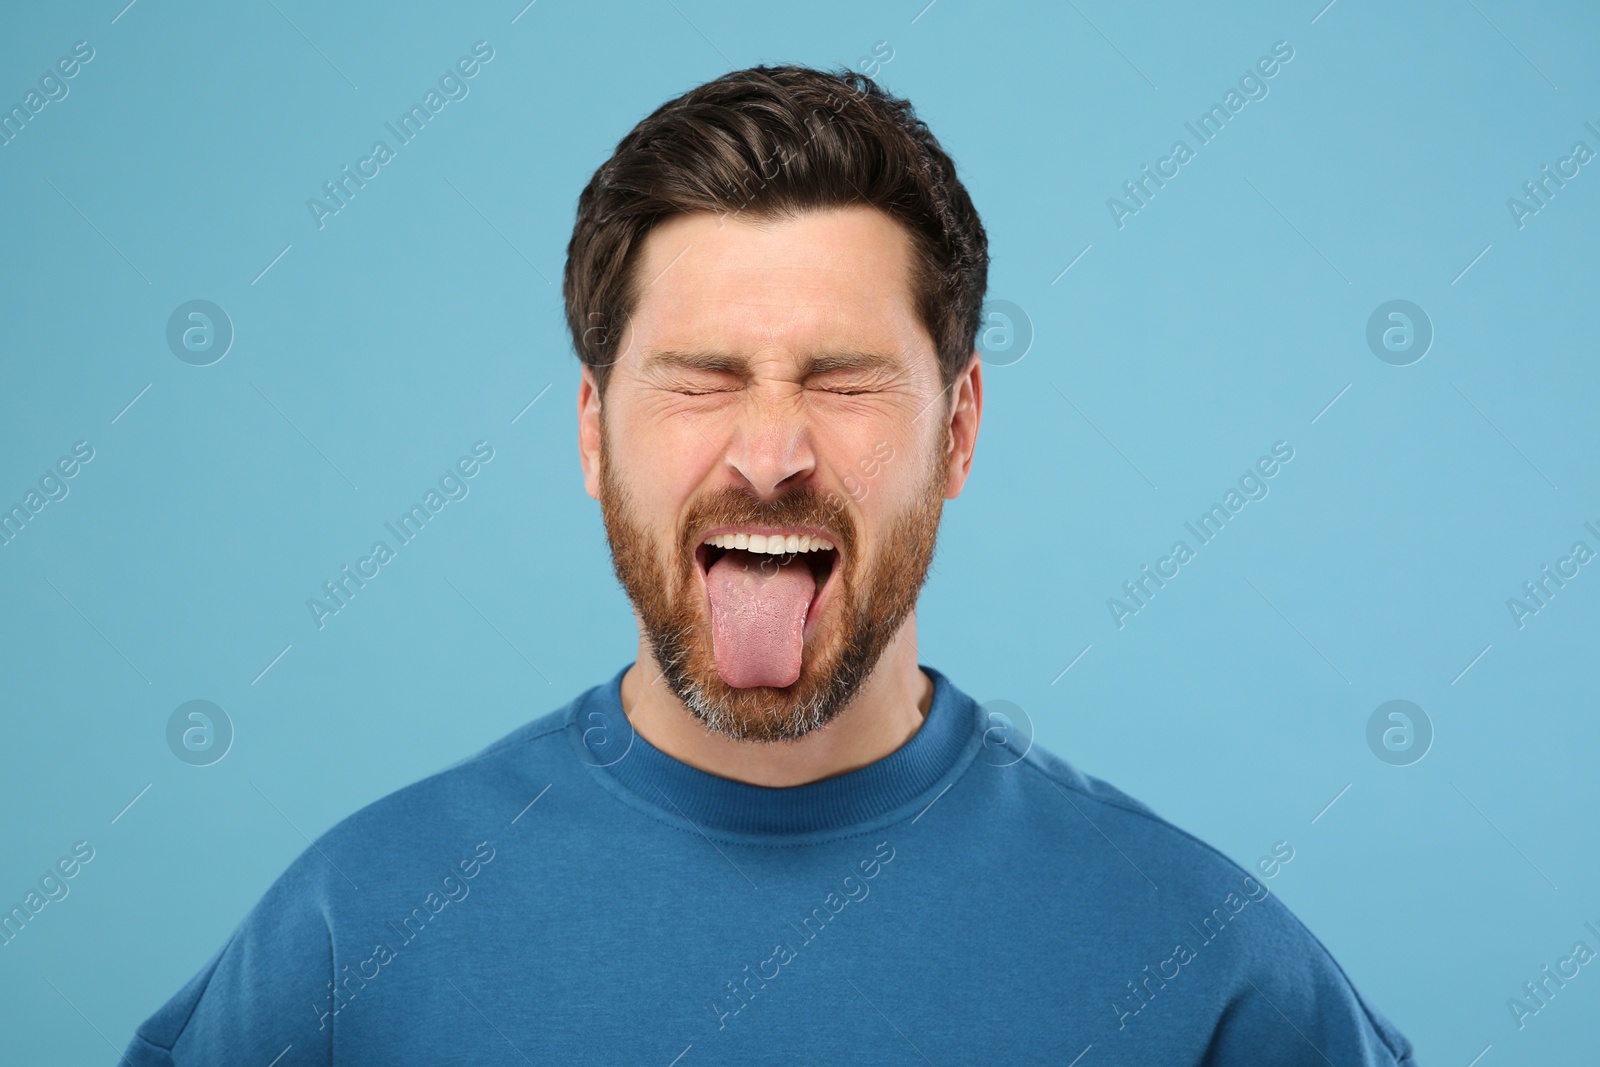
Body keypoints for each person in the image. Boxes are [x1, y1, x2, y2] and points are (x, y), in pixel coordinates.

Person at [123, 64, 1415, 1065]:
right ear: (592, 432)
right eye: (704, 380)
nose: (772, 451)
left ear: (957, 431)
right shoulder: (354, 931)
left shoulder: (1209, 968)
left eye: (844, 381)